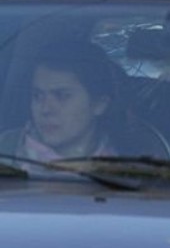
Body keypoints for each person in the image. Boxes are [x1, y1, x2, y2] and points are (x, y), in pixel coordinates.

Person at [0, 44, 132, 162]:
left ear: (99, 105)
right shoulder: (6, 148)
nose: (46, 109)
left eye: (62, 96)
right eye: (37, 96)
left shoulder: (125, 173)